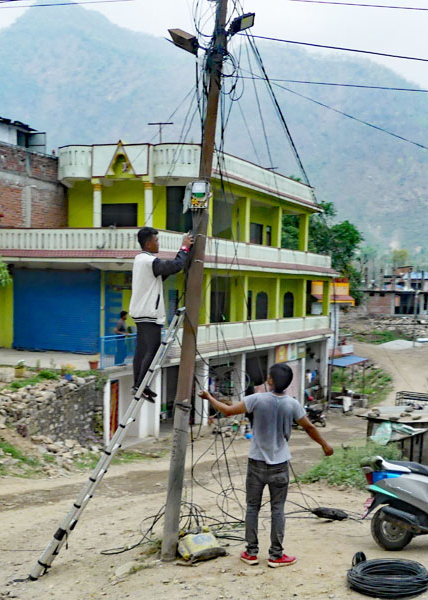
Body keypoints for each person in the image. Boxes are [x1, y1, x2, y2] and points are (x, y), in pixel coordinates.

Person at [199, 362, 333, 568]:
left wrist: (209, 397)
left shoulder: (256, 399)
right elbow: (309, 427)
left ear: (270, 380)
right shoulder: (293, 404)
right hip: (280, 464)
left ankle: (251, 553)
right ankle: (276, 556)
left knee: (252, 508)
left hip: (256, 463)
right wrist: (325, 445)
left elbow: (227, 411)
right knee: (278, 510)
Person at [129, 227, 193, 400]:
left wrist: (180, 256)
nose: (158, 243)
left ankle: (138, 385)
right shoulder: (150, 261)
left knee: (142, 350)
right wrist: (184, 248)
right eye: (156, 241)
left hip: (140, 310)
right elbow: (175, 266)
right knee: (153, 349)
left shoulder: (140, 260)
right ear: (148, 244)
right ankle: (141, 385)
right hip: (149, 312)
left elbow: (161, 274)